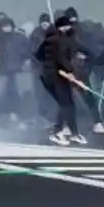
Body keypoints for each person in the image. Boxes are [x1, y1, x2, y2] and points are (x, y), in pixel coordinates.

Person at [36, 15, 85, 146]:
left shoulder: (47, 40)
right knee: (66, 103)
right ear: (63, 27)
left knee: (67, 103)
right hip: (57, 76)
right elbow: (62, 59)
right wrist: (69, 71)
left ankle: (73, 132)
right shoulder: (61, 40)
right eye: (68, 25)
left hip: (48, 76)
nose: (70, 28)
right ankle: (57, 132)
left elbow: (38, 55)